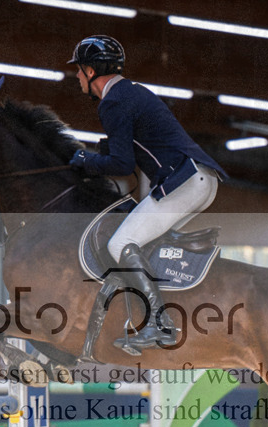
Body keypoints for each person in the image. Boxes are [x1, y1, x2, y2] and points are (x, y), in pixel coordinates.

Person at [66, 35, 228, 353]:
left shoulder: (112, 101)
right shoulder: (132, 93)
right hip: (199, 180)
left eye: (78, 70)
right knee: (140, 242)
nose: (76, 76)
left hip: (183, 182)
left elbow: (122, 163)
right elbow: (131, 153)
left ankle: (159, 324)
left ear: (90, 71)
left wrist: (85, 161)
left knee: (120, 244)